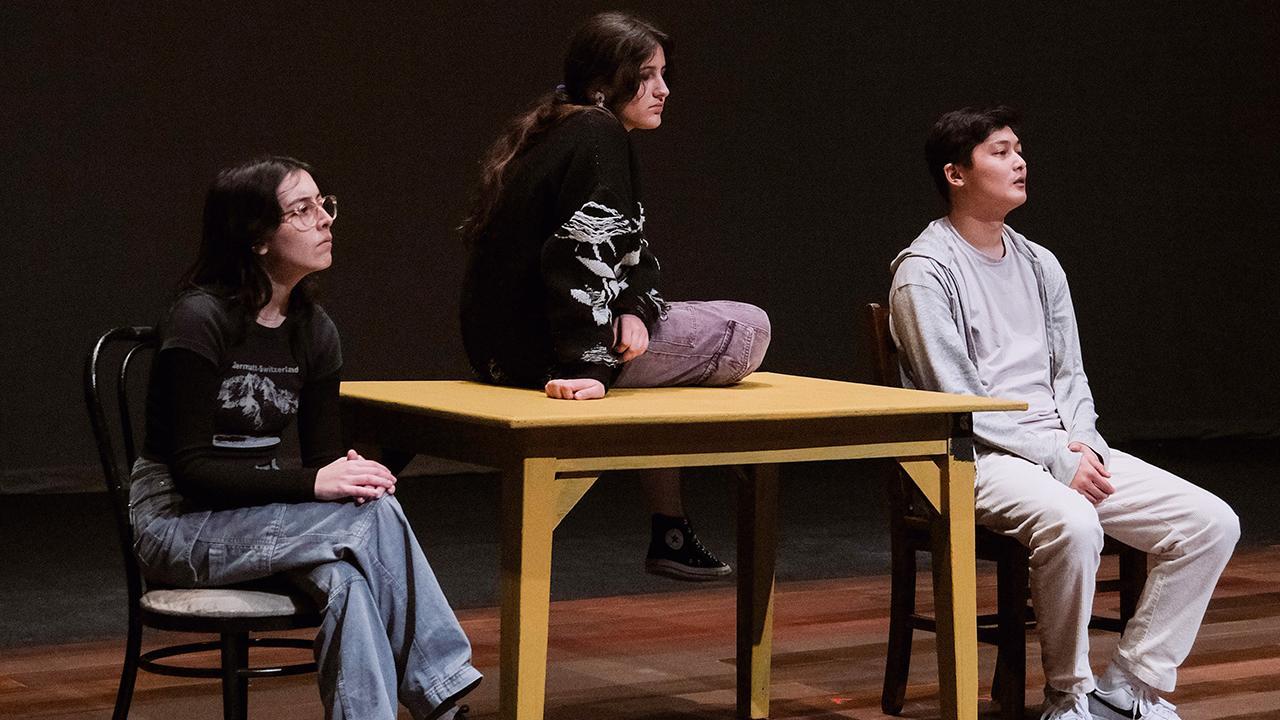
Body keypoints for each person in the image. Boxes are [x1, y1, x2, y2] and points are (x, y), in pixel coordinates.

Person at [888, 107, 1238, 720]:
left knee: (1210, 523)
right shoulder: (924, 273)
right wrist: (1055, 456)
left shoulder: (1040, 263)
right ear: (955, 173)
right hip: (975, 456)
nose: (1019, 162)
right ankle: (1068, 696)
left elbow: (1070, 375)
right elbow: (958, 401)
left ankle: (1129, 686)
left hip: (1061, 446)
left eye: (1019, 149)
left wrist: (1083, 441)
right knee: (1075, 523)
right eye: (1000, 152)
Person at [130, 157, 481, 720]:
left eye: (324, 204)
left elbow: (322, 458)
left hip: (261, 516)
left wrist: (351, 476)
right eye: (301, 210)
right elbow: (193, 472)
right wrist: (317, 483)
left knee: (350, 577)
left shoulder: (314, 331)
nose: (324, 219)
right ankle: (442, 700)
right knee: (369, 521)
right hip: (179, 523)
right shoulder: (200, 319)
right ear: (257, 238)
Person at [459, 12, 770, 581]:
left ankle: (670, 529)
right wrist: (592, 364)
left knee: (661, 346)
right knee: (748, 327)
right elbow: (577, 252)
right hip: (552, 350)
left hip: (505, 349)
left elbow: (627, 249)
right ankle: (669, 526)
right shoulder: (597, 132)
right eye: (647, 76)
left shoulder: (558, 127)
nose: (663, 89)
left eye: (664, 74)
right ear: (604, 82)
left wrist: (633, 307)